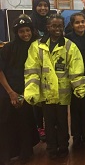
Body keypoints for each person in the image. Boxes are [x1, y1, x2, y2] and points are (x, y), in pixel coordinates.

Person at [24, 14, 85, 159]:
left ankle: (63, 147)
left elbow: (76, 69)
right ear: (48, 27)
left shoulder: (69, 46)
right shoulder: (36, 46)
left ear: (63, 27)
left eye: (59, 26)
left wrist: (79, 88)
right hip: (45, 94)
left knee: (62, 122)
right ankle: (52, 148)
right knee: (49, 123)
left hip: (62, 94)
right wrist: (32, 91)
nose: (57, 28)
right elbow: (31, 71)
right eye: (53, 26)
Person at [0, 15, 39, 164]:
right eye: (22, 31)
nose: (25, 34)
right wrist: (11, 93)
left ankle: (25, 151)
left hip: (26, 92)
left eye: (28, 30)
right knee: (6, 123)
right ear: (16, 32)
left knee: (25, 121)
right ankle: (6, 155)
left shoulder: (34, 47)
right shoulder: (8, 48)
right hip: (8, 91)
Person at [65, 12, 85, 149]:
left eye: (82, 22)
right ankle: (76, 136)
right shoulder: (67, 39)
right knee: (74, 107)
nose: (80, 24)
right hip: (71, 78)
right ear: (72, 25)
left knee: (84, 107)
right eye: (77, 22)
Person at [30, 0, 52, 141]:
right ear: (35, 6)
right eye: (40, 5)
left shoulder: (51, 22)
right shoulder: (30, 23)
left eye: (46, 5)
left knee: (49, 97)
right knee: (37, 99)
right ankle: (39, 127)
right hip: (35, 64)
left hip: (50, 64)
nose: (43, 8)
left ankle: (51, 125)